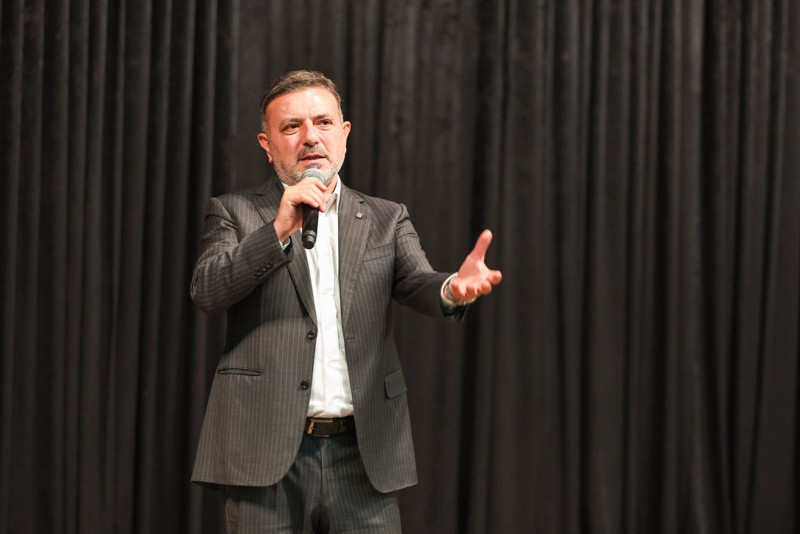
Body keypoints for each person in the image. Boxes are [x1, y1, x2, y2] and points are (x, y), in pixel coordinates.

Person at [190, 70, 502, 533]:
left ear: (345, 133)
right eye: (292, 126)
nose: (310, 137)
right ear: (267, 145)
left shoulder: (385, 217)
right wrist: (278, 229)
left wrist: (453, 288)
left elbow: (417, 282)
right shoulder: (234, 211)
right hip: (262, 448)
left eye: (323, 122)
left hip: (361, 453)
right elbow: (207, 290)